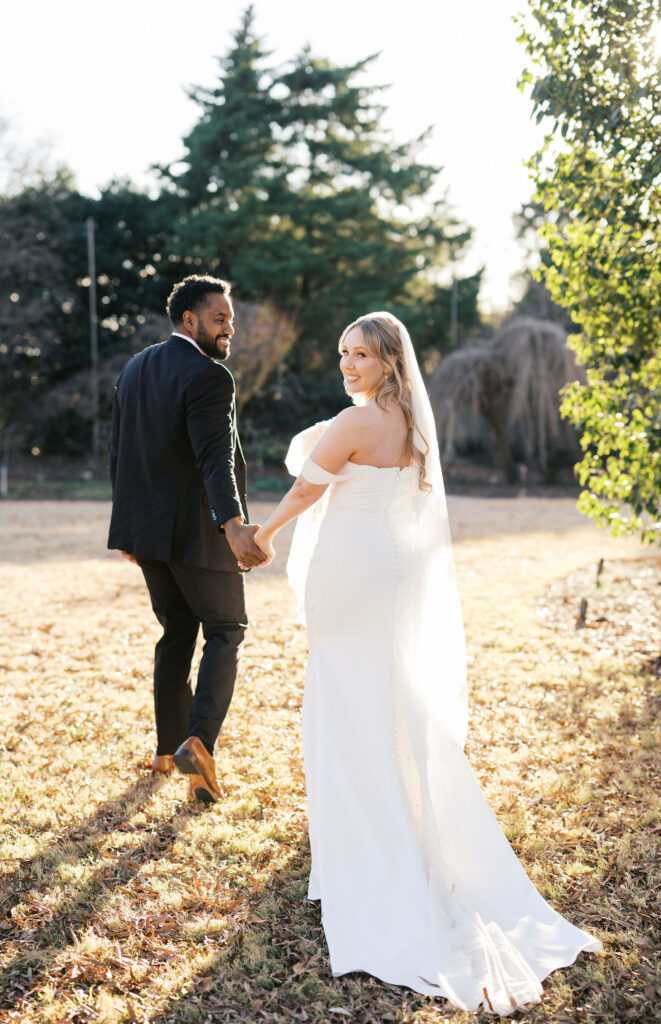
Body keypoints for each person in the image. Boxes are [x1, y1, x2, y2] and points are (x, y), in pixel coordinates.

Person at [248, 312, 601, 1015]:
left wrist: (260, 535)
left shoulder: (351, 426)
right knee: (378, 700)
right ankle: (382, 831)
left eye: (362, 356)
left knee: (348, 702)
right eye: (342, 353)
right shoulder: (410, 422)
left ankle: (367, 850)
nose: (348, 365)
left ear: (388, 361)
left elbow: (303, 492)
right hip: (386, 572)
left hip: (349, 575)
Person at [108, 274, 265, 803]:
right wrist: (234, 524)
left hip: (148, 533)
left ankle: (164, 749)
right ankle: (197, 744)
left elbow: (118, 454)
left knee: (177, 632)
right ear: (190, 319)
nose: (229, 330)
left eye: (231, 321)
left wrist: (126, 527)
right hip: (199, 533)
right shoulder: (209, 377)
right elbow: (214, 459)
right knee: (226, 628)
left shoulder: (134, 369)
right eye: (219, 319)